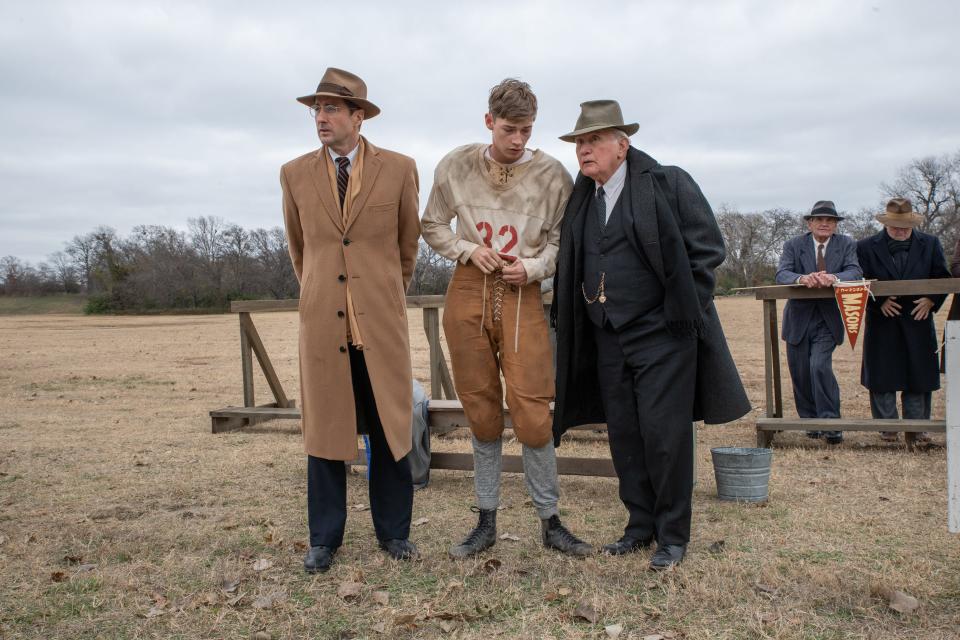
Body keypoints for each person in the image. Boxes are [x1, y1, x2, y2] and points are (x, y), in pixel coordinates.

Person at [551, 100, 750, 570]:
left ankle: (673, 536)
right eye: (579, 142)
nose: (584, 150)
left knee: (666, 435)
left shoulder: (667, 182)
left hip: (664, 335)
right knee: (625, 435)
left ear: (623, 144)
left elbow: (708, 250)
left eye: (593, 140)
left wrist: (681, 309)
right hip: (606, 334)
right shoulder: (583, 197)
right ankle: (639, 526)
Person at [421, 78, 591, 558]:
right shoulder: (455, 165)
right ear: (489, 121)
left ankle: (550, 521)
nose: (518, 140)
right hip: (469, 289)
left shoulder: (554, 176)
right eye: (509, 129)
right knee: (480, 408)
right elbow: (431, 223)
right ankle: (486, 520)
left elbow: (562, 241)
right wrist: (468, 249)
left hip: (524, 296)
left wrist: (533, 267)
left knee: (534, 410)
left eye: (527, 130)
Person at [280, 68, 421, 573]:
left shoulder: (400, 168)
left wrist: (378, 295)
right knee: (325, 431)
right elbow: (301, 252)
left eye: (331, 109)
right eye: (316, 109)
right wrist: (323, 294)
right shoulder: (293, 173)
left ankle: (394, 534)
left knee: (389, 428)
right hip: (322, 323)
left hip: (378, 323)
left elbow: (408, 247)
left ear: (358, 116)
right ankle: (324, 540)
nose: (320, 117)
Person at [857, 197, 950, 443]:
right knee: (882, 374)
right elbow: (858, 282)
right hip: (883, 321)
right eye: (895, 227)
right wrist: (878, 303)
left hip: (917, 320)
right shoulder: (865, 247)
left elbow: (942, 276)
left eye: (905, 227)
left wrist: (931, 300)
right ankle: (887, 428)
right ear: (886, 224)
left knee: (918, 374)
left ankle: (918, 428)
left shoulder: (930, 243)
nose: (900, 231)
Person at [775, 202, 862, 444]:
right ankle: (811, 423)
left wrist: (833, 277)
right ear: (810, 223)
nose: (825, 224)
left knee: (819, 367)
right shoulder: (793, 245)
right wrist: (803, 278)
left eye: (830, 220)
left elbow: (855, 271)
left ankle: (831, 424)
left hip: (829, 318)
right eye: (819, 219)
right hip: (798, 319)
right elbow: (782, 274)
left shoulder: (846, 244)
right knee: (801, 372)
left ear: (836, 225)